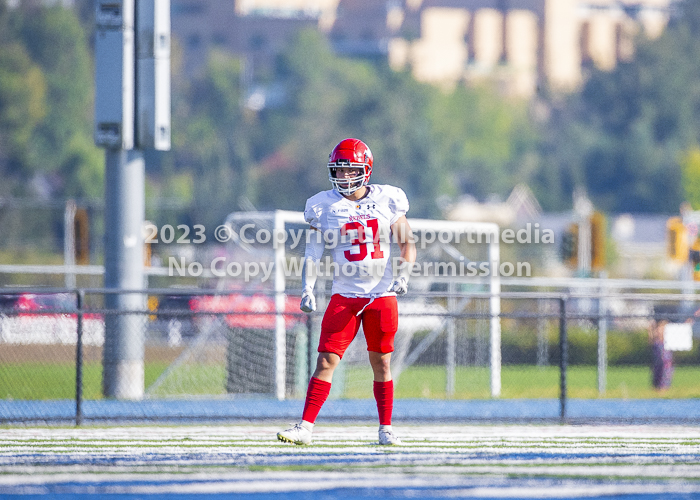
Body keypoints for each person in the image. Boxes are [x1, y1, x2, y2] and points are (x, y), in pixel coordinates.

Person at [277, 138, 416, 446]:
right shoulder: (323, 204)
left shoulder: (388, 199)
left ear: (365, 170)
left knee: (382, 363)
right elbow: (313, 251)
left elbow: (407, 243)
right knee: (326, 360)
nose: (343, 178)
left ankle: (386, 428)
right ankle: (305, 427)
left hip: (381, 295)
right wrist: (307, 288)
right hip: (345, 294)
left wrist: (404, 275)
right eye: (338, 172)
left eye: (349, 171)